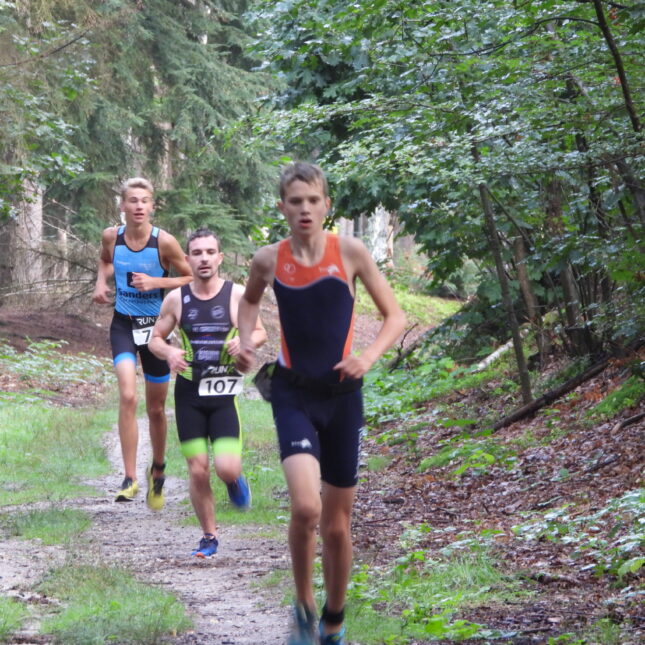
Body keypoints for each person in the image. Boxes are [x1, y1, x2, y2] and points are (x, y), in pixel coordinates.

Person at [235, 162, 406, 645]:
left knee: (335, 525)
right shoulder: (268, 259)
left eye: (313, 200)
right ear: (282, 207)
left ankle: (334, 617)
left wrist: (367, 357)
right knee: (307, 507)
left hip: (343, 398)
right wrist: (245, 341)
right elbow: (248, 302)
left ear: (326, 205)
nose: (305, 209)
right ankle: (304, 603)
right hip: (292, 393)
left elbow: (395, 316)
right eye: (295, 202)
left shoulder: (350, 252)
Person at [149, 228, 267, 557]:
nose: (204, 259)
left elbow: (260, 332)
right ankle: (209, 537)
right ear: (187, 259)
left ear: (220, 258)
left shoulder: (236, 295)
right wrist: (169, 353)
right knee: (198, 468)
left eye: (210, 252)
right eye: (197, 253)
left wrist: (244, 341)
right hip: (189, 394)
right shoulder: (177, 298)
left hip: (223, 395)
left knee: (226, 468)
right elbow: (155, 338)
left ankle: (235, 480)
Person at [92, 177, 193, 509]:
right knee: (127, 395)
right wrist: (101, 282)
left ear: (152, 206)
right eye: (132, 200)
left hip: (156, 331)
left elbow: (191, 276)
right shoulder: (112, 236)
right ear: (122, 205)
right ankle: (129, 477)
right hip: (123, 324)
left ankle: (158, 470)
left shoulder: (164, 242)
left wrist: (156, 282)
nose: (138, 206)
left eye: (144, 201)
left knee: (155, 409)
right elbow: (105, 260)